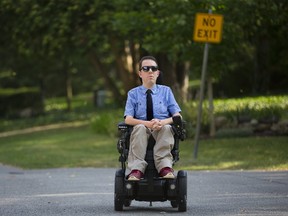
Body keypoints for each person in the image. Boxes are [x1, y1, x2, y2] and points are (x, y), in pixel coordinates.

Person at [124, 55, 182, 181]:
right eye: (146, 68)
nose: (150, 71)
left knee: (167, 128)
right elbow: (128, 119)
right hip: (142, 130)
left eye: (153, 68)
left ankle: (164, 168)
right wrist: (147, 124)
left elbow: (177, 115)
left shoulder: (166, 91)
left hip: (161, 129)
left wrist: (162, 122)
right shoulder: (133, 94)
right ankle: (136, 170)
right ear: (140, 73)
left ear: (157, 73)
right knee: (139, 127)